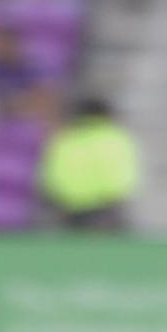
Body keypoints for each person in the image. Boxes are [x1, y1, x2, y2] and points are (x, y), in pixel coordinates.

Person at [40, 94, 141, 230]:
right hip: (104, 206)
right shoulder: (115, 137)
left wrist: (61, 197)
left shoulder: (67, 137)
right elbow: (122, 175)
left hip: (69, 207)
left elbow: (53, 173)